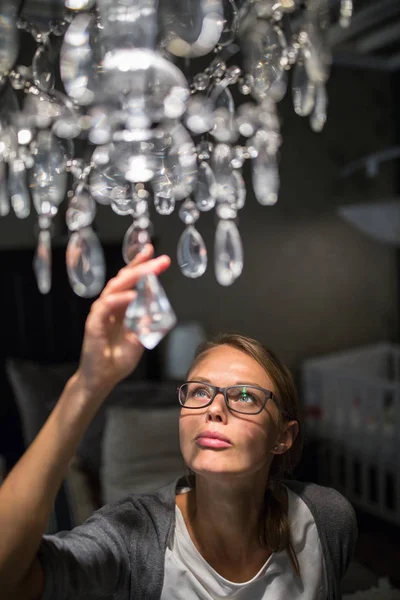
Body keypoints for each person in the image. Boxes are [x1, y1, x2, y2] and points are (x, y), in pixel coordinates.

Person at [0, 244, 357, 600]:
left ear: (283, 436)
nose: (214, 409)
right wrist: (87, 386)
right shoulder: (134, 536)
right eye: (200, 392)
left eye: (244, 396)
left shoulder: (327, 520)